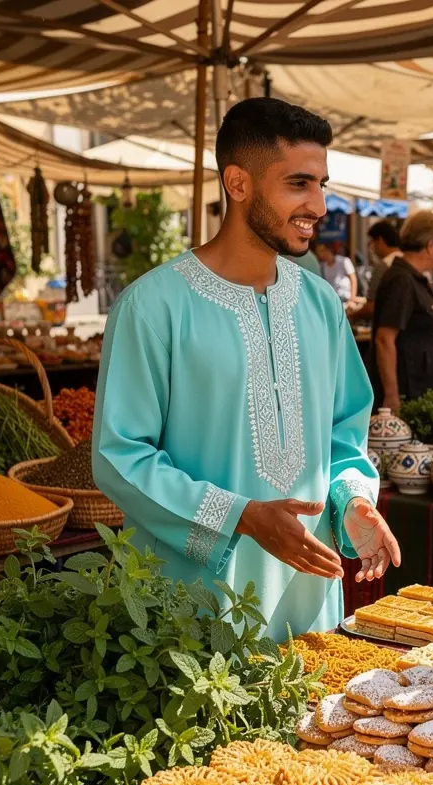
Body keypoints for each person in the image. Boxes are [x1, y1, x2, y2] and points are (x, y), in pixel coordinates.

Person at [94, 97, 400, 642]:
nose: (319, 205)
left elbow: (343, 436)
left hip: (308, 604)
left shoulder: (321, 305)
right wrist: (241, 515)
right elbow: (122, 457)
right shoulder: (153, 307)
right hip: (191, 608)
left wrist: (353, 502)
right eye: (299, 184)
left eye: (321, 184)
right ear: (238, 183)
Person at [368, 211, 433, 410]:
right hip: (411, 395)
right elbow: (384, 339)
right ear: (431, 245)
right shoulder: (402, 280)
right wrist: (392, 395)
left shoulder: (412, 279)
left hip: (422, 394)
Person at [358, 219, 401, 322]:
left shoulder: (383, 267)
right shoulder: (407, 262)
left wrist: (350, 316)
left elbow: (372, 307)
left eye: (372, 243)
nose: (372, 248)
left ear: (380, 241)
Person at [315, 241, 357, 305]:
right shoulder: (323, 266)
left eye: (322, 251)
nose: (320, 254)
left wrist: (352, 300)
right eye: (318, 252)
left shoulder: (344, 261)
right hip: (332, 299)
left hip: (345, 297)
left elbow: (353, 280)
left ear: (328, 250)